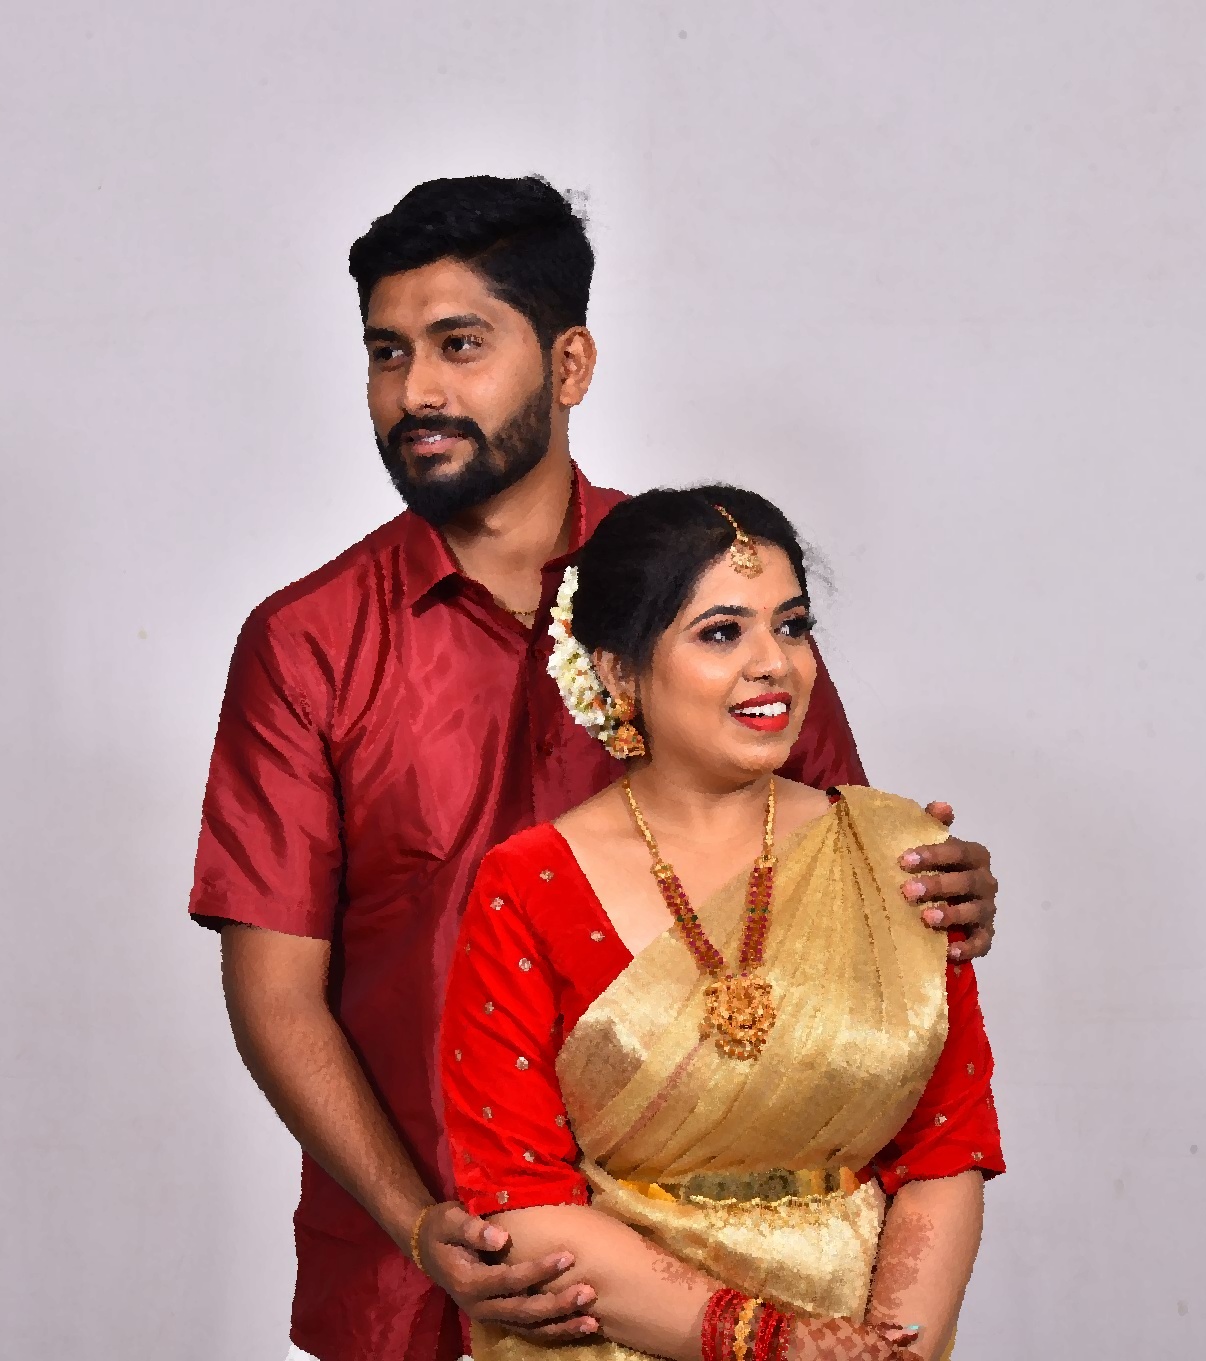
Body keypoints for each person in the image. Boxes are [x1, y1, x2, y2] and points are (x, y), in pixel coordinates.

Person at [187, 175, 1000, 1361]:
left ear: (569, 363)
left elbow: (830, 888)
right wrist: (418, 1225)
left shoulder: (713, 592)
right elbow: (276, 992)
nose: (416, 391)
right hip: (419, 1274)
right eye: (386, 352)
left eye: (460, 344)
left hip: (740, 1289)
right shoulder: (307, 644)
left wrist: (933, 893)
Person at [439, 486, 1002, 1361]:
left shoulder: (892, 855)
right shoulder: (530, 884)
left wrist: (891, 1352)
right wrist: (785, 1346)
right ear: (618, 670)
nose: (773, 662)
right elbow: (522, 1201)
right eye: (721, 632)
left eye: (792, 625)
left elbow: (946, 1145)